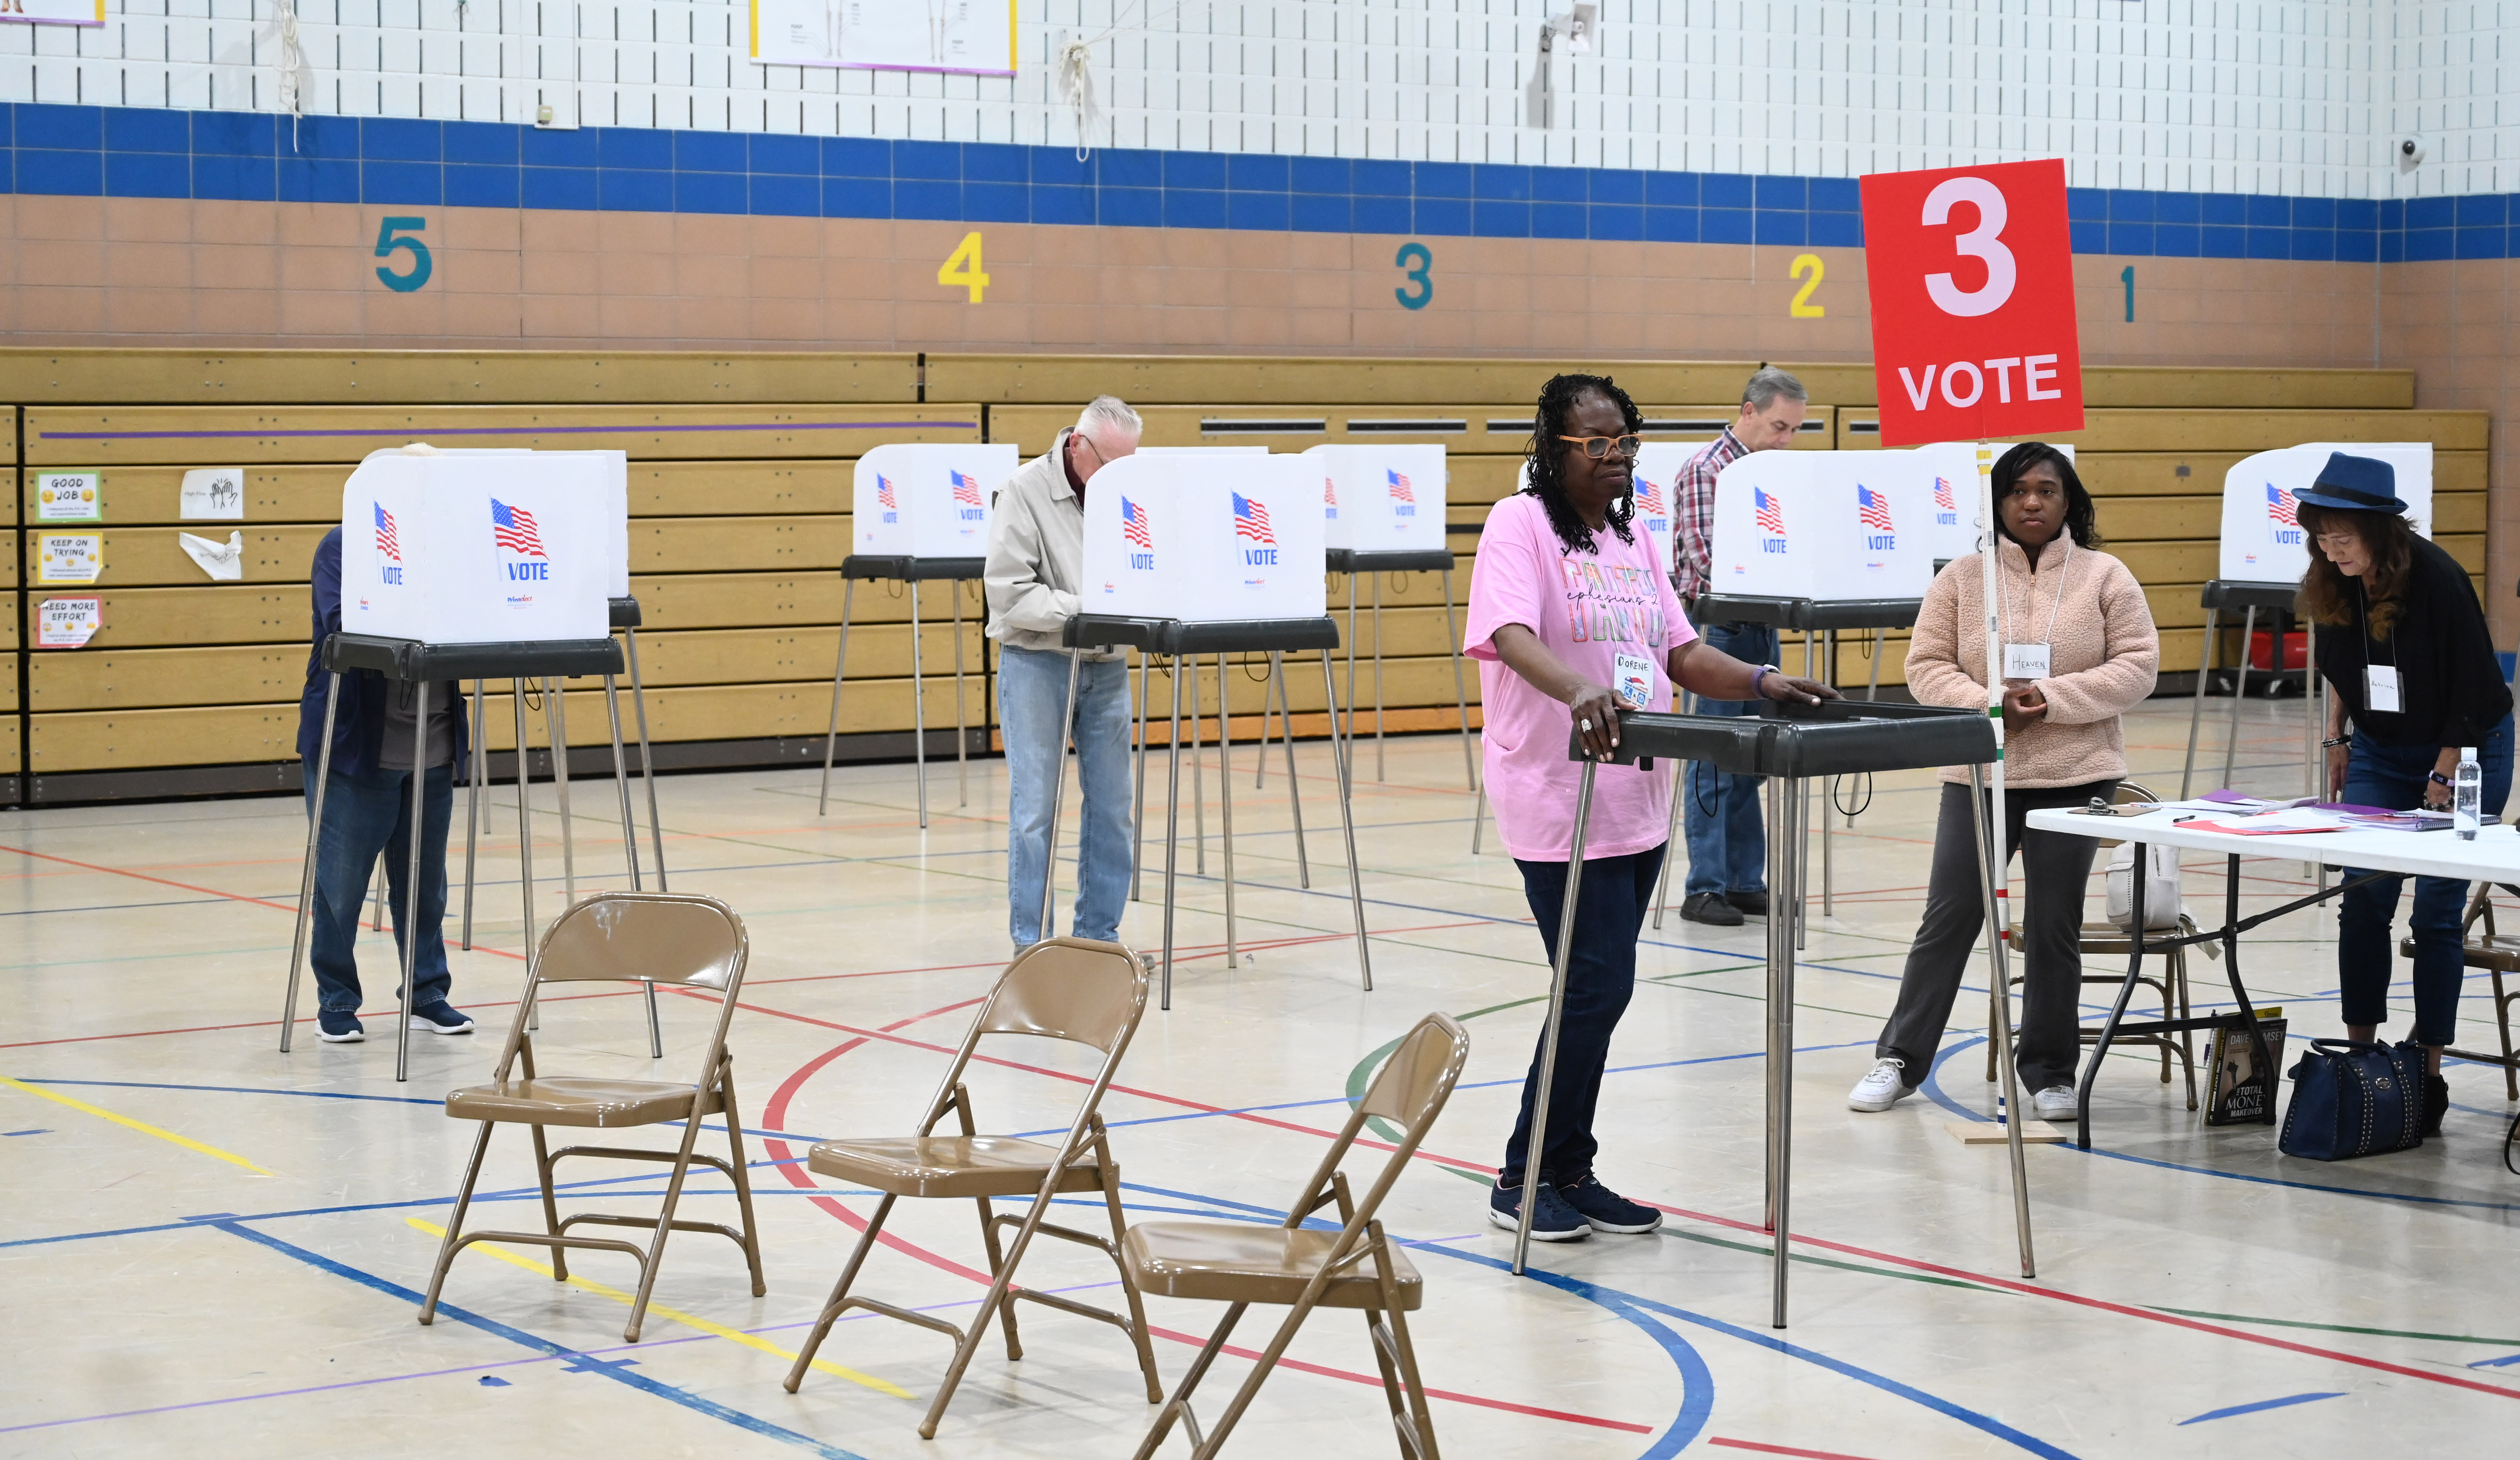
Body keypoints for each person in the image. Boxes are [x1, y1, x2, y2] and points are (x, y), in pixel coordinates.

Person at [1465, 373, 1836, 1241]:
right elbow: (1509, 634)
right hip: (1556, 793)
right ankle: (1525, 1177)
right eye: (1595, 445)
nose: (1614, 459)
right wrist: (1578, 689)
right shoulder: (1516, 526)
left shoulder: (1632, 538)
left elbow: (1677, 649)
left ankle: (1568, 1167)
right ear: (1551, 451)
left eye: (1623, 442)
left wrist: (1760, 681)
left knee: (1599, 988)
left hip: (1637, 794)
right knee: (1594, 983)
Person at [1847, 443, 2158, 1121]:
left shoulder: (2105, 575)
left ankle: (2049, 1070)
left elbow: (2138, 667)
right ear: (1998, 503)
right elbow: (1924, 665)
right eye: (2017, 491)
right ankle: (1899, 1058)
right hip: (1977, 774)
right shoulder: (1963, 578)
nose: (2032, 503)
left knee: (2052, 927)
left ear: (2068, 500)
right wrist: (1988, 705)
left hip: (2075, 776)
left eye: (2046, 490)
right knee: (1949, 916)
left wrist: (2049, 699)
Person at [2299, 451, 2514, 1136]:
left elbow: (2473, 692)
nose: (2332, 551)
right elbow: (2342, 667)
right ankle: (2363, 1063)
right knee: (2362, 897)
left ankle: (2427, 1073)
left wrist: (2445, 772)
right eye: (2321, 538)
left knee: (2435, 913)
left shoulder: (2438, 581)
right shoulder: (2332, 581)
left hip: (2467, 746)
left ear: (2380, 531)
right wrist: (2336, 739)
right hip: (2380, 749)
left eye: (2343, 538)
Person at [293, 527, 474, 1043]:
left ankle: (427, 992)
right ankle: (337, 999)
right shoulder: (342, 547)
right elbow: (339, 629)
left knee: (425, 885)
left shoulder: (449, 546)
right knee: (341, 886)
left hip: (432, 741)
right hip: (357, 745)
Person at [986, 395, 1144, 952]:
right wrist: (1084, 608)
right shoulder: (1023, 490)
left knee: (1113, 810)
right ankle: (1030, 947)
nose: (1117, 478)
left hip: (1106, 664)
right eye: (1109, 465)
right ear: (1077, 445)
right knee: (1035, 810)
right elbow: (1007, 595)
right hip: (1037, 661)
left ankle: (1097, 940)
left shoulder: (1126, 491)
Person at [1671, 366, 1810, 925]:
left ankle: (1743, 880)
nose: (1785, 440)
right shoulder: (1709, 471)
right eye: (1778, 426)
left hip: (1758, 623)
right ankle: (1704, 885)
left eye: (1794, 430)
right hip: (1718, 627)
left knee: (1750, 761)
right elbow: (1708, 563)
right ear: (1747, 412)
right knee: (1712, 761)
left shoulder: (1772, 476)